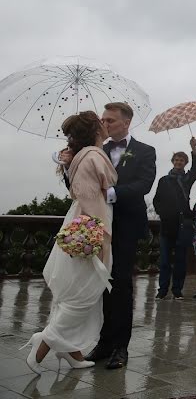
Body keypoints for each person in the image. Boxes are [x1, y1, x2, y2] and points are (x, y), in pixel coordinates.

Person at [60, 102, 156, 370]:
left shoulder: (145, 151)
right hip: (97, 225)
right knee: (101, 284)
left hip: (125, 226)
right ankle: (104, 344)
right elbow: (77, 187)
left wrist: (111, 194)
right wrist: (68, 167)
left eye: (110, 120)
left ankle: (120, 348)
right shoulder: (94, 150)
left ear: (126, 122)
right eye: (102, 120)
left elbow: (143, 185)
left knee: (121, 284)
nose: (104, 124)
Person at [22, 112, 116, 373]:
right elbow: (89, 199)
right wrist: (98, 237)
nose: (106, 124)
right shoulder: (94, 156)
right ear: (95, 129)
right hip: (88, 226)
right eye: (102, 121)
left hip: (78, 222)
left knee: (75, 293)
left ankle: (71, 354)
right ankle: (45, 341)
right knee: (84, 294)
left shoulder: (83, 156)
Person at [152, 138, 196, 300]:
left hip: (183, 224)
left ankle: (177, 290)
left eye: (182, 160)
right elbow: (156, 200)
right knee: (165, 260)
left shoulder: (187, 179)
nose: (179, 162)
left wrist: (193, 149)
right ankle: (162, 290)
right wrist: (163, 213)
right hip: (167, 224)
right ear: (172, 162)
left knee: (180, 260)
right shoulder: (163, 180)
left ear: (185, 163)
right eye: (176, 160)